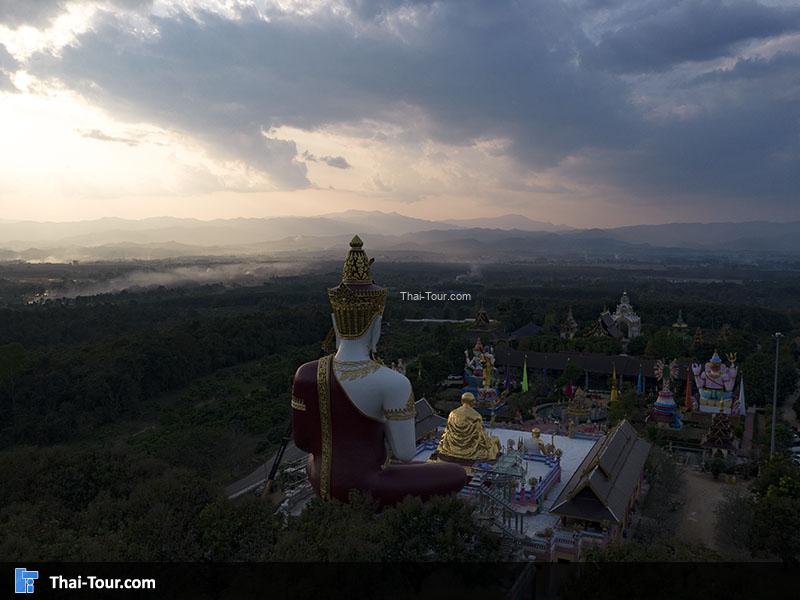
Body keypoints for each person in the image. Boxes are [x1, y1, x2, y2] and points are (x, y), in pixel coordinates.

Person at [291, 236, 467, 506]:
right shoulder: (393, 382)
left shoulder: (305, 373)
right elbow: (406, 453)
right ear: (377, 324)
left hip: (320, 480)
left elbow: (303, 443)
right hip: (365, 486)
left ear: (335, 323)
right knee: (456, 473)